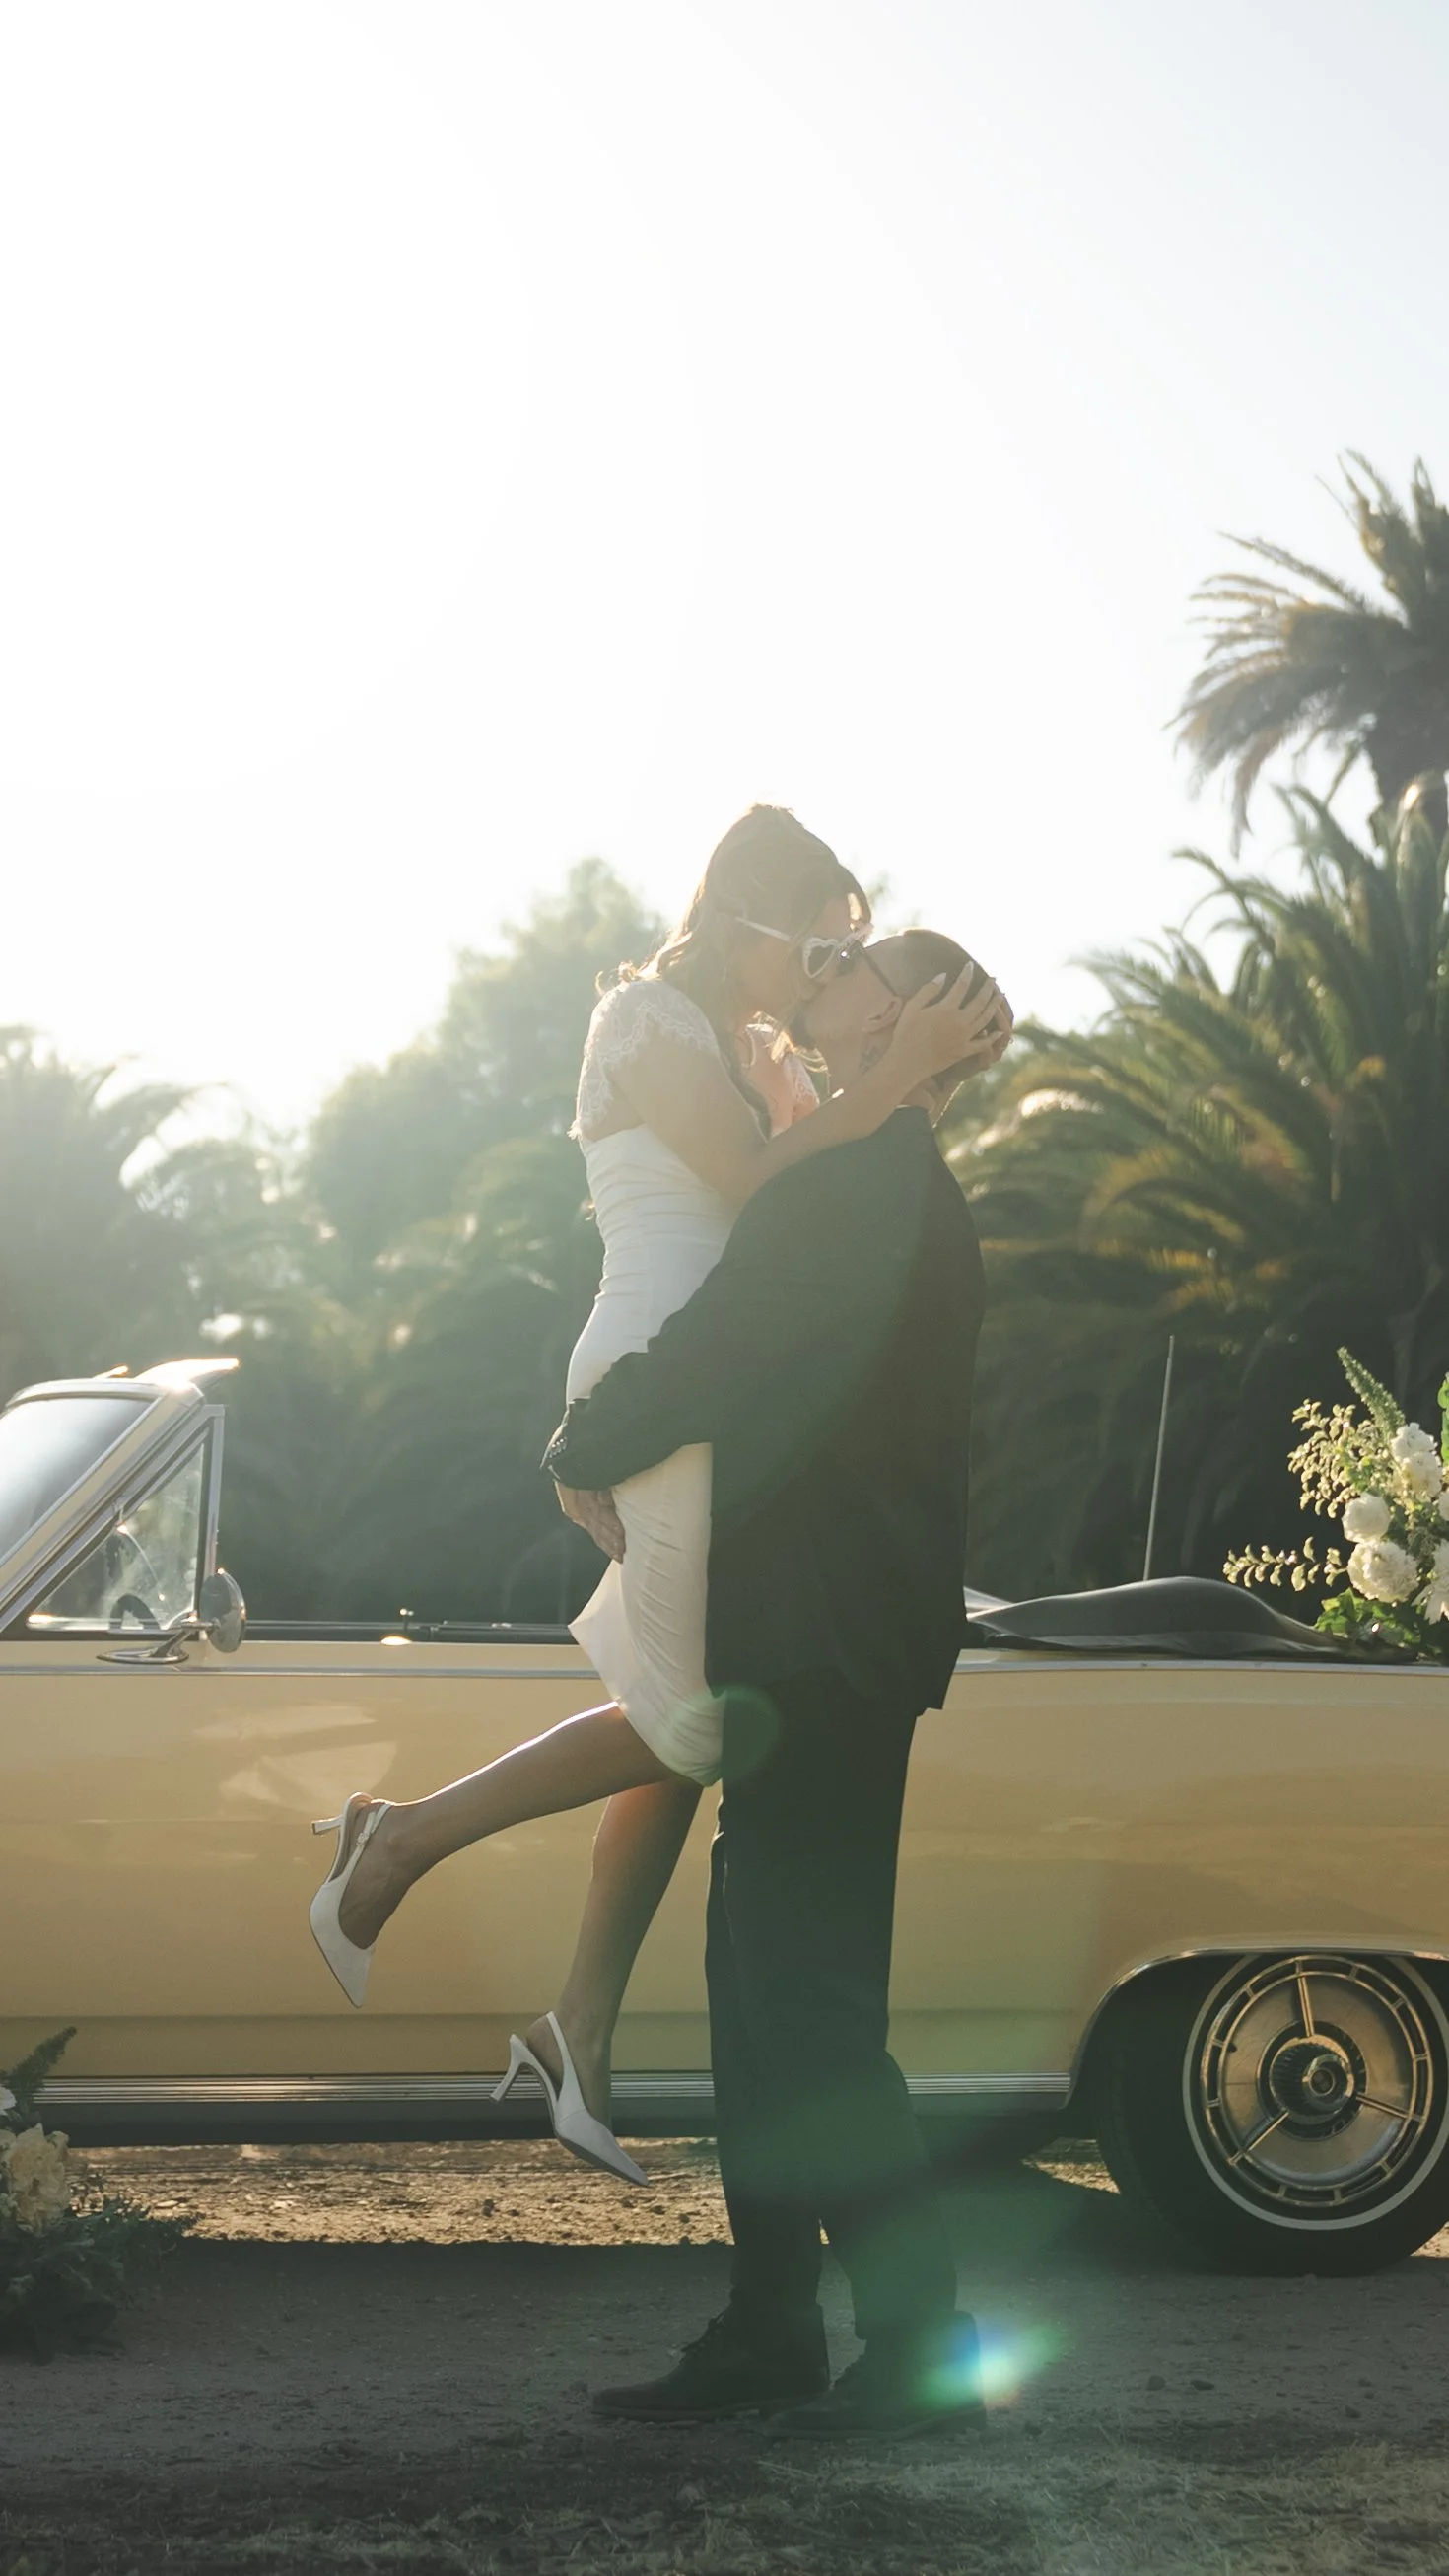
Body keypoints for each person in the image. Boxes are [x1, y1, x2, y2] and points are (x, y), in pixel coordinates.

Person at [308, 809, 1004, 2185]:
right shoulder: (647, 1020)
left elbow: (836, 1202)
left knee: (691, 1707)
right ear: (747, 917)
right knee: (692, 1722)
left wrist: (902, 1077)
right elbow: (750, 1185)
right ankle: (405, 1843)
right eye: (815, 944)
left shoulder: (758, 1054)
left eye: (846, 951)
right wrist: (894, 1073)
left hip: (714, 1385)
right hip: (656, 1368)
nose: (823, 972)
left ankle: (578, 2019)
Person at [544, 925, 997, 2438]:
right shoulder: (869, 1170)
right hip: (817, 1632)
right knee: (761, 1995)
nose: (829, 977)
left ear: (911, 1015)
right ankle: (771, 2329)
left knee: (801, 2002)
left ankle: (918, 2347)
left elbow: (733, 1339)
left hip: (827, 1635)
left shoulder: (864, 1181)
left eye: (865, 967)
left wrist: (583, 1440)